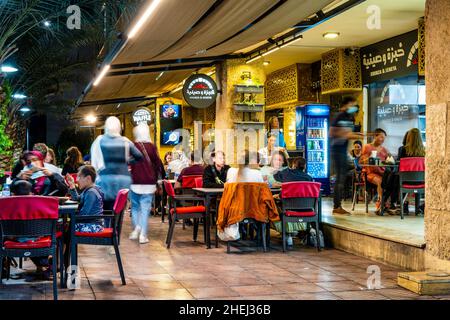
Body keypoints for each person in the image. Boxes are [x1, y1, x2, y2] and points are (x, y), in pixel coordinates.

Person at [90, 116, 143, 210]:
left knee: (105, 209)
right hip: (123, 179)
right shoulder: (126, 141)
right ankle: (117, 224)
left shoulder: (99, 140)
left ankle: (108, 224)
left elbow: (94, 162)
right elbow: (139, 156)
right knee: (119, 208)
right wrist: (126, 161)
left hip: (105, 178)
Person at [128, 124, 164, 244]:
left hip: (135, 181)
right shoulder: (152, 147)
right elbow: (158, 163)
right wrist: (158, 179)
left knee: (135, 207)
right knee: (145, 209)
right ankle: (143, 235)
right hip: (149, 182)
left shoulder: (133, 146)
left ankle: (137, 227)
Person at [329, 96, 364, 215]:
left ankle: (337, 205)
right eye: (352, 105)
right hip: (336, 151)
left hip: (343, 151)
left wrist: (354, 134)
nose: (353, 107)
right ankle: (337, 206)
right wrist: (351, 135)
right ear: (346, 105)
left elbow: (349, 133)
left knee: (342, 177)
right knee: (340, 178)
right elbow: (332, 132)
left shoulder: (350, 118)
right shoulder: (339, 116)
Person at [273, 157, 313, 247]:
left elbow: (275, 175)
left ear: (294, 165)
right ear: (305, 167)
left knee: (274, 204)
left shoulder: (286, 173)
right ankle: (305, 232)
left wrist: (278, 196)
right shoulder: (309, 178)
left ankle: (287, 233)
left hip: (289, 209)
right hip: (306, 210)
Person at [384, 128, 425, 214]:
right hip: (421, 181)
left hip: (405, 180)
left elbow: (399, 166)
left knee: (393, 176)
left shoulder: (402, 149)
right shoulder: (424, 150)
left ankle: (396, 204)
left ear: (408, 137)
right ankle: (415, 208)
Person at [66, 165, 104, 233]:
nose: (77, 180)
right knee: (67, 226)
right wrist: (72, 185)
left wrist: (71, 216)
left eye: (79, 177)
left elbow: (84, 214)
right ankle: (70, 243)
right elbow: (77, 199)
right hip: (90, 224)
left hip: (94, 226)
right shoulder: (88, 190)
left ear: (88, 178)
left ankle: (68, 243)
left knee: (67, 227)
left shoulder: (91, 192)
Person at [360, 128, 390, 214]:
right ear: (375, 136)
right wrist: (369, 158)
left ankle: (390, 204)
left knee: (392, 180)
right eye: (381, 137)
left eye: (384, 138)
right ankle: (380, 204)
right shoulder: (367, 147)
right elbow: (360, 162)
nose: (383, 140)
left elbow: (388, 161)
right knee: (381, 182)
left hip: (382, 173)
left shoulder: (384, 150)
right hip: (369, 173)